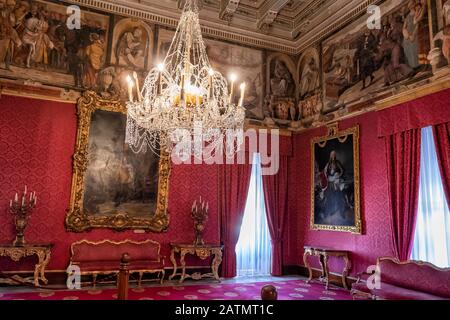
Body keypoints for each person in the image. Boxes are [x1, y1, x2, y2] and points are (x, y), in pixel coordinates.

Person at [402, 0, 426, 69]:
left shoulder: (417, 12)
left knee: (417, 48)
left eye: (412, 4)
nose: (411, 6)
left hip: (415, 33)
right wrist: (407, 35)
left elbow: (417, 24)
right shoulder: (407, 16)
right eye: (410, 5)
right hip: (409, 36)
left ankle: (420, 65)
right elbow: (404, 27)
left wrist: (413, 35)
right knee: (408, 49)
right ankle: (413, 66)